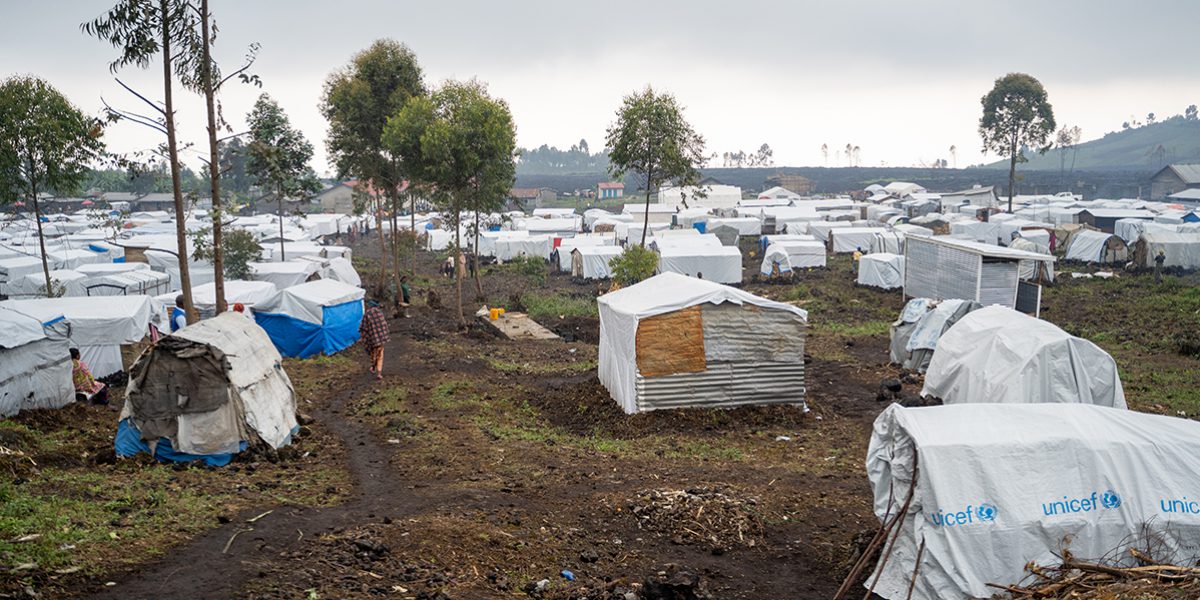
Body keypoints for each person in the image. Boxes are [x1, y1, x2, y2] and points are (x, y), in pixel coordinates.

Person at [359, 299, 390, 380]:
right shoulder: (380, 313)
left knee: (374, 354)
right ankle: (379, 372)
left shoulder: (367, 314)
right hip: (381, 338)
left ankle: (373, 367)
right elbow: (384, 325)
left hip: (372, 339)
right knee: (380, 355)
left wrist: (364, 337)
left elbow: (363, 328)